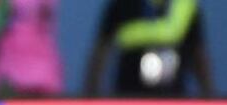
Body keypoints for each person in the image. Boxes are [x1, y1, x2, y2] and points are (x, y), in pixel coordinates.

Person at [85, 0, 213, 98]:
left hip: (173, 99)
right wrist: (92, 95)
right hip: (129, 97)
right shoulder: (123, 4)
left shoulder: (185, 6)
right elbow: (100, 53)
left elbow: (199, 56)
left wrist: (208, 93)